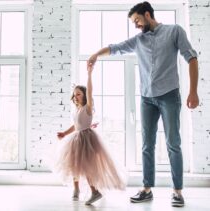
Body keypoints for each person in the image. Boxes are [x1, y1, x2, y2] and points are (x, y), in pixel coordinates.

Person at [87, 1, 199, 208]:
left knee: (173, 143)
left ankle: (177, 192)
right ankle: (147, 189)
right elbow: (116, 48)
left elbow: (191, 58)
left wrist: (193, 91)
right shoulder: (139, 41)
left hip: (169, 95)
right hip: (147, 98)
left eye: (137, 20)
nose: (136, 25)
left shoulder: (174, 31)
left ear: (147, 15)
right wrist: (95, 54)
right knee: (147, 145)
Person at [56, 64, 125, 205]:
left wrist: (89, 74)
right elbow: (76, 126)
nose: (75, 97)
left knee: (86, 167)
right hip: (76, 138)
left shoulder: (87, 107)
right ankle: (76, 190)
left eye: (79, 94)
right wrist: (64, 133)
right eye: (74, 95)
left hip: (86, 139)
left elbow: (90, 91)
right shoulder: (77, 109)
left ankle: (95, 191)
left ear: (85, 96)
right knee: (74, 164)